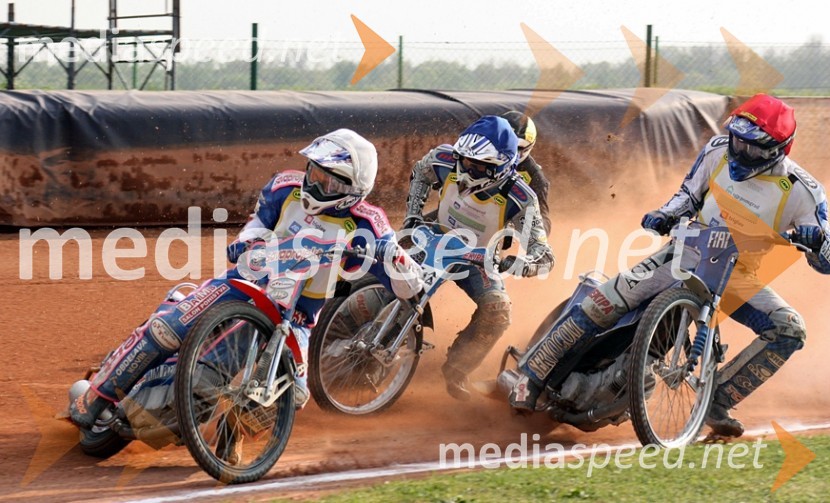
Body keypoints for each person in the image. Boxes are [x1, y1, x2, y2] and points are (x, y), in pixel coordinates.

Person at [506, 94, 830, 437]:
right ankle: (532, 374)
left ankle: (719, 397)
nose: (739, 151)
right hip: (685, 251)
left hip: (738, 273)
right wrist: (667, 213)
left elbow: (826, 260)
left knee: (790, 328)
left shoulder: (803, 191)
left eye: (751, 147)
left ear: (778, 149)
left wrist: (817, 243)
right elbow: (688, 195)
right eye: (737, 139)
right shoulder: (718, 149)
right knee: (604, 300)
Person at [69, 128, 424, 429]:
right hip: (242, 287)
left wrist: (402, 268)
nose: (315, 183)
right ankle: (96, 395)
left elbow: (405, 281)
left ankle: (234, 440)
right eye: (314, 172)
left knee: (294, 394)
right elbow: (255, 225)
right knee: (167, 329)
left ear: (354, 188)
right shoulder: (285, 187)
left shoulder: (369, 224)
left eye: (328, 180)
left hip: (296, 318)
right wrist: (249, 243)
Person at [403, 115, 554, 401]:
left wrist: (521, 262)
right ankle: (348, 321)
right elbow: (421, 173)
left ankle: (458, 368)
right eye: (466, 161)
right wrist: (412, 216)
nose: (469, 170)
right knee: (385, 264)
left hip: (480, 257)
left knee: (498, 311)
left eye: (480, 167)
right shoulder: (444, 158)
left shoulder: (524, 194)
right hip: (434, 232)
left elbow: (544, 254)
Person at [422, 111, 552, 235]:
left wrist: (519, 228)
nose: (511, 151)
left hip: (492, 228)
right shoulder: (473, 153)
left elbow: (543, 221)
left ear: (529, 148)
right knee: (412, 233)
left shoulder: (535, 177)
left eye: (518, 148)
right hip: (456, 209)